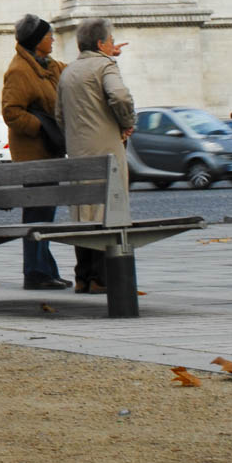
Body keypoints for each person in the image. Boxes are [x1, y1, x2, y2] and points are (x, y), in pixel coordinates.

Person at [55, 16, 135, 294]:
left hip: (77, 151)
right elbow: (120, 96)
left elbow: (59, 115)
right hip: (106, 149)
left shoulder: (68, 72)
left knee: (82, 213)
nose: (114, 46)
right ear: (101, 44)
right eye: (111, 41)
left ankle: (83, 276)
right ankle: (101, 277)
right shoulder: (105, 66)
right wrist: (126, 122)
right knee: (108, 211)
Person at [0, 15, 70, 290]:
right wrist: (42, 126)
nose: (53, 38)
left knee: (44, 213)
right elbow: (11, 112)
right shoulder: (20, 70)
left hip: (47, 151)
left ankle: (45, 269)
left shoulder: (46, 65)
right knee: (37, 213)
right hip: (33, 154)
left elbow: (69, 72)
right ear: (37, 41)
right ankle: (35, 272)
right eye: (49, 35)